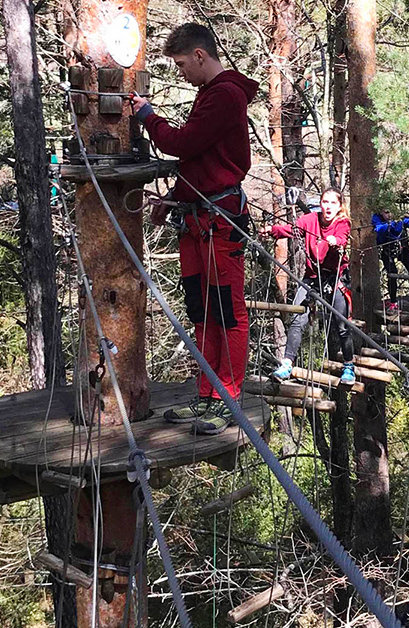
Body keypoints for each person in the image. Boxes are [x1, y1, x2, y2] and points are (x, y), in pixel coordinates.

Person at [129, 24, 259, 435]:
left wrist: (147, 115)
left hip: (219, 222)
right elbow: (198, 163)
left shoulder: (225, 94)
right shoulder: (210, 94)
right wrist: (171, 201)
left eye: (183, 64)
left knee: (226, 312)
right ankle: (207, 393)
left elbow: (182, 144)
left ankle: (228, 398)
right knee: (202, 312)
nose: (181, 72)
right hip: (199, 218)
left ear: (201, 56)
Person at [262, 189, 357, 386]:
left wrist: (335, 241)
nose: (327, 206)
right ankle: (287, 363)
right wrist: (271, 230)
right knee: (297, 319)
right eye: (324, 202)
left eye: (332, 203)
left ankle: (349, 365)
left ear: (339, 206)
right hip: (312, 278)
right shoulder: (309, 220)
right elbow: (291, 229)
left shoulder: (342, 223)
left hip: (336, 277)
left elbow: (342, 237)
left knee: (341, 325)